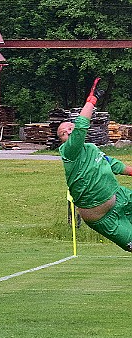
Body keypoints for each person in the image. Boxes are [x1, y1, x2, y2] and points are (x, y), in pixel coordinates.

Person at [57, 77, 132, 252]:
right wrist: (92, 99)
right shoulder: (68, 152)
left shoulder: (91, 148)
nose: (68, 130)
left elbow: (113, 164)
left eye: (69, 127)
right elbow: (82, 125)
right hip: (102, 218)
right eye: (63, 133)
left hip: (120, 197)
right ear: (62, 141)